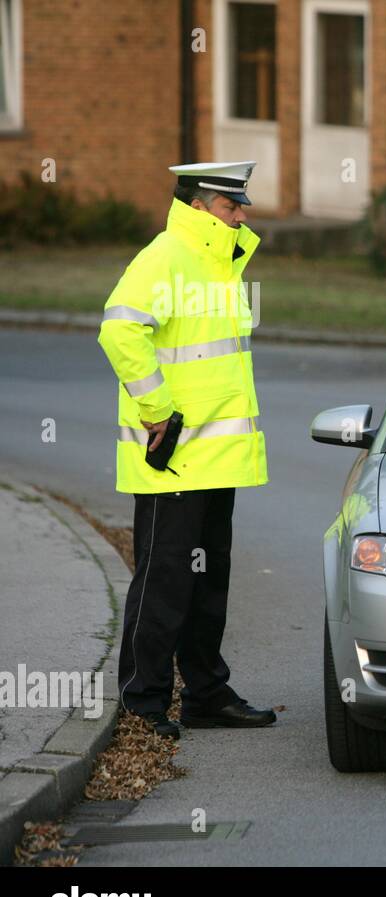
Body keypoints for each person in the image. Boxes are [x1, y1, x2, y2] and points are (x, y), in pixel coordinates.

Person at [96, 161, 275, 739]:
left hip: (212, 458)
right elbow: (119, 331)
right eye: (232, 206)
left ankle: (205, 693)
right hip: (172, 456)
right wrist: (156, 414)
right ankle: (142, 702)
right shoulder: (167, 256)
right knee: (164, 582)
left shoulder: (218, 263)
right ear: (201, 207)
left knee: (206, 581)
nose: (242, 214)